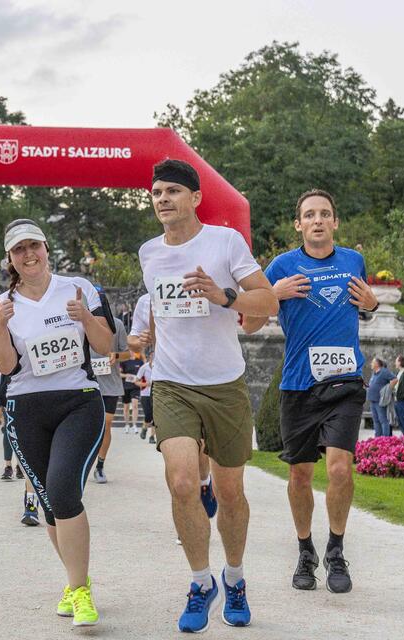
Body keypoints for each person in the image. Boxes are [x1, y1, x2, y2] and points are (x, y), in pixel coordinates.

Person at [141, 159, 278, 632]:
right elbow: (160, 310)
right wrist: (148, 345)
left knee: (230, 491)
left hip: (224, 385)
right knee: (181, 482)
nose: (162, 199)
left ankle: (234, 577)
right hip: (173, 384)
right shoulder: (148, 253)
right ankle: (201, 583)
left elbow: (267, 301)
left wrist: (225, 296)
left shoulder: (225, 242)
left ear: (196, 198)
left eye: (173, 191)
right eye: (156, 192)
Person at [243, 188, 378, 596]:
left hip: (345, 384)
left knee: (340, 468)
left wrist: (371, 304)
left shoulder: (354, 261)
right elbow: (248, 323)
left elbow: (363, 307)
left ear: (335, 222)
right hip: (299, 385)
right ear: (298, 224)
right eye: (309, 215)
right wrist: (274, 295)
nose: (317, 220)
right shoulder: (282, 266)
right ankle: (306, 551)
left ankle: (336, 550)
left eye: (325, 214)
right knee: (300, 475)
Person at [0, 218, 113, 627]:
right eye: (19, 250)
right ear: (10, 258)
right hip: (25, 408)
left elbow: (106, 344)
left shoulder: (78, 288)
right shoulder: (5, 304)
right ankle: (77, 579)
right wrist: (2, 325)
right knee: (47, 502)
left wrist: (86, 317)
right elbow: (5, 365)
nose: (29, 255)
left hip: (78, 401)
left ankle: (80, 592)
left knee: (62, 491)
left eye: (34, 246)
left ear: (46, 248)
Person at [129, 293, 219, 520]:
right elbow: (132, 340)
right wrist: (141, 339)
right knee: (177, 454)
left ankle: (204, 481)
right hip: (168, 382)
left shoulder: (198, 289)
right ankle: (187, 511)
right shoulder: (146, 300)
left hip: (204, 378)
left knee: (201, 446)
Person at [91, 313, 130, 484]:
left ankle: (100, 466)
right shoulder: (79, 320)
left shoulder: (117, 324)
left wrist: (116, 355)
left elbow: (127, 354)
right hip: (85, 381)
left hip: (110, 384)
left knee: (106, 424)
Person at [367, 358, 395, 437]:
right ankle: (378, 438)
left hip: (380, 400)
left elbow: (395, 379)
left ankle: (385, 438)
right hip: (372, 400)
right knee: (376, 420)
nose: (371, 364)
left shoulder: (384, 371)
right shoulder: (374, 373)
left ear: (377, 364)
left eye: (372, 362)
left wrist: (387, 389)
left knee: (383, 420)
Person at [119, 351, 142, 432]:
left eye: (133, 350)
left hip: (135, 387)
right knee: (126, 407)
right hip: (125, 387)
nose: (131, 352)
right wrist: (127, 375)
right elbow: (119, 374)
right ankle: (126, 425)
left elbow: (143, 374)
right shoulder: (124, 362)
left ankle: (134, 425)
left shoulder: (139, 361)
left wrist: (139, 380)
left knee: (135, 405)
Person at [136, 351, 155, 443]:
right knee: (148, 415)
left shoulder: (160, 368)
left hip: (156, 394)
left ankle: (152, 437)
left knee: (155, 416)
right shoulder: (144, 367)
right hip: (145, 394)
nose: (154, 357)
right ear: (149, 357)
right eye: (152, 356)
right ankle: (144, 428)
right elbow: (136, 381)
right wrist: (145, 384)